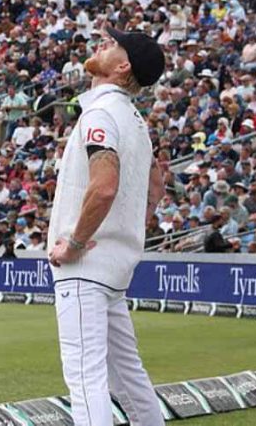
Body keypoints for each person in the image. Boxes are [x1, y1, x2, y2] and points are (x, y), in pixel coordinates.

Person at [47, 28, 166, 426]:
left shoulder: (101, 113)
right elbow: (155, 187)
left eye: (110, 43)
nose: (101, 43)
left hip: (87, 266)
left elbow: (104, 187)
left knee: (86, 380)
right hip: (116, 267)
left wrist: (75, 242)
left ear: (122, 65)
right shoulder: (136, 120)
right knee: (130, 380)